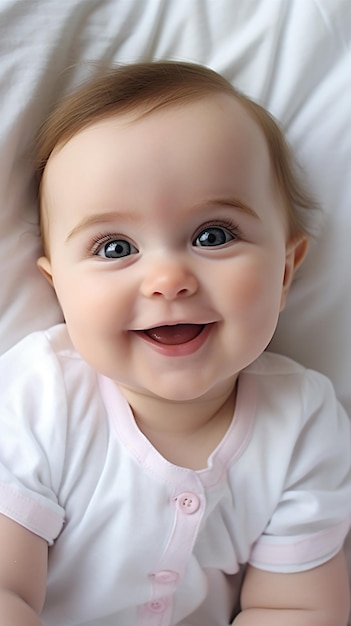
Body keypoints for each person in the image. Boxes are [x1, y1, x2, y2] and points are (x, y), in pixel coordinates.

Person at [0, 61, 350, 626]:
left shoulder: (305, 420)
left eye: (213, 235)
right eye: (115, 248)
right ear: (58, 289)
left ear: (285, 272)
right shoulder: (39, 397)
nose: (168, 278)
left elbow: (297, 605)